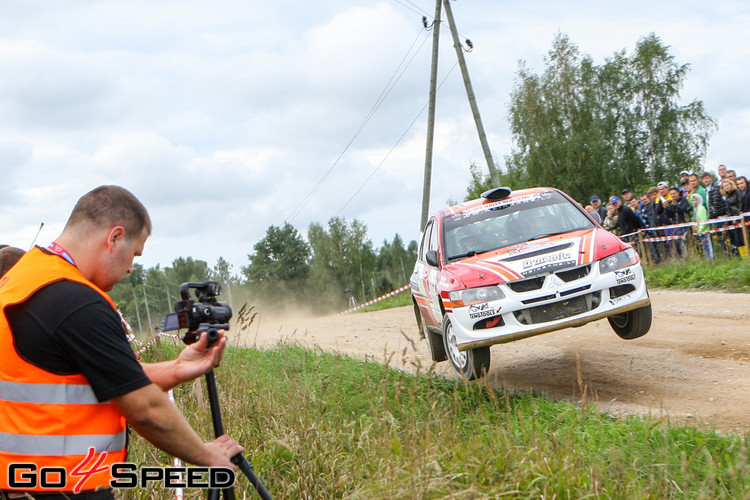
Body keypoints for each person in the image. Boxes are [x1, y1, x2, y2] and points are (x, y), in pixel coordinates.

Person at [0, 186, 243, 499]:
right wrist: (208, 456)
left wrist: (177, 368)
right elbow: (145, 411)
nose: (130, 268)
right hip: (63, 486)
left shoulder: (24, 278)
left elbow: (83, 375)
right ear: (114, 237)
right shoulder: (74, 300)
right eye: (134, 254)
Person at [690, 193, 713, 259]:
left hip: (704, 231)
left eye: (696, 200)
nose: (694, 202)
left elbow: (704, 220)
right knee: (704, 247)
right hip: (700, 232)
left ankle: (710, 260)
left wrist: (700, 229)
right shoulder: (696, 209)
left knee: (708, 247)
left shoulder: (701, 208)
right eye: (693, 200)